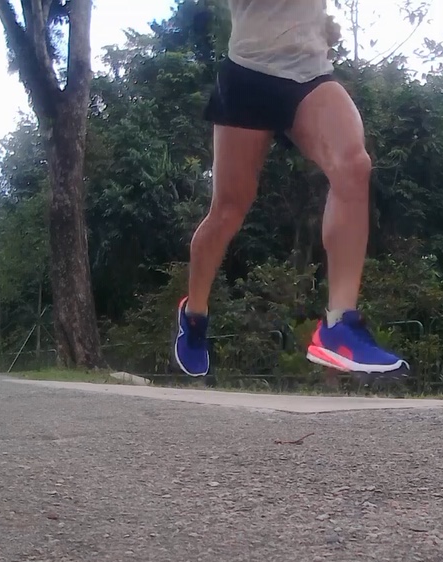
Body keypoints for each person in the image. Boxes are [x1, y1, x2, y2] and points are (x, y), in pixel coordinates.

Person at [172, 0, 407, 378]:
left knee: (353, 166)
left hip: (310, 74)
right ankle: (194, 314)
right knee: (228, 210)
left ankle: (339, 325)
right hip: (249, 73)